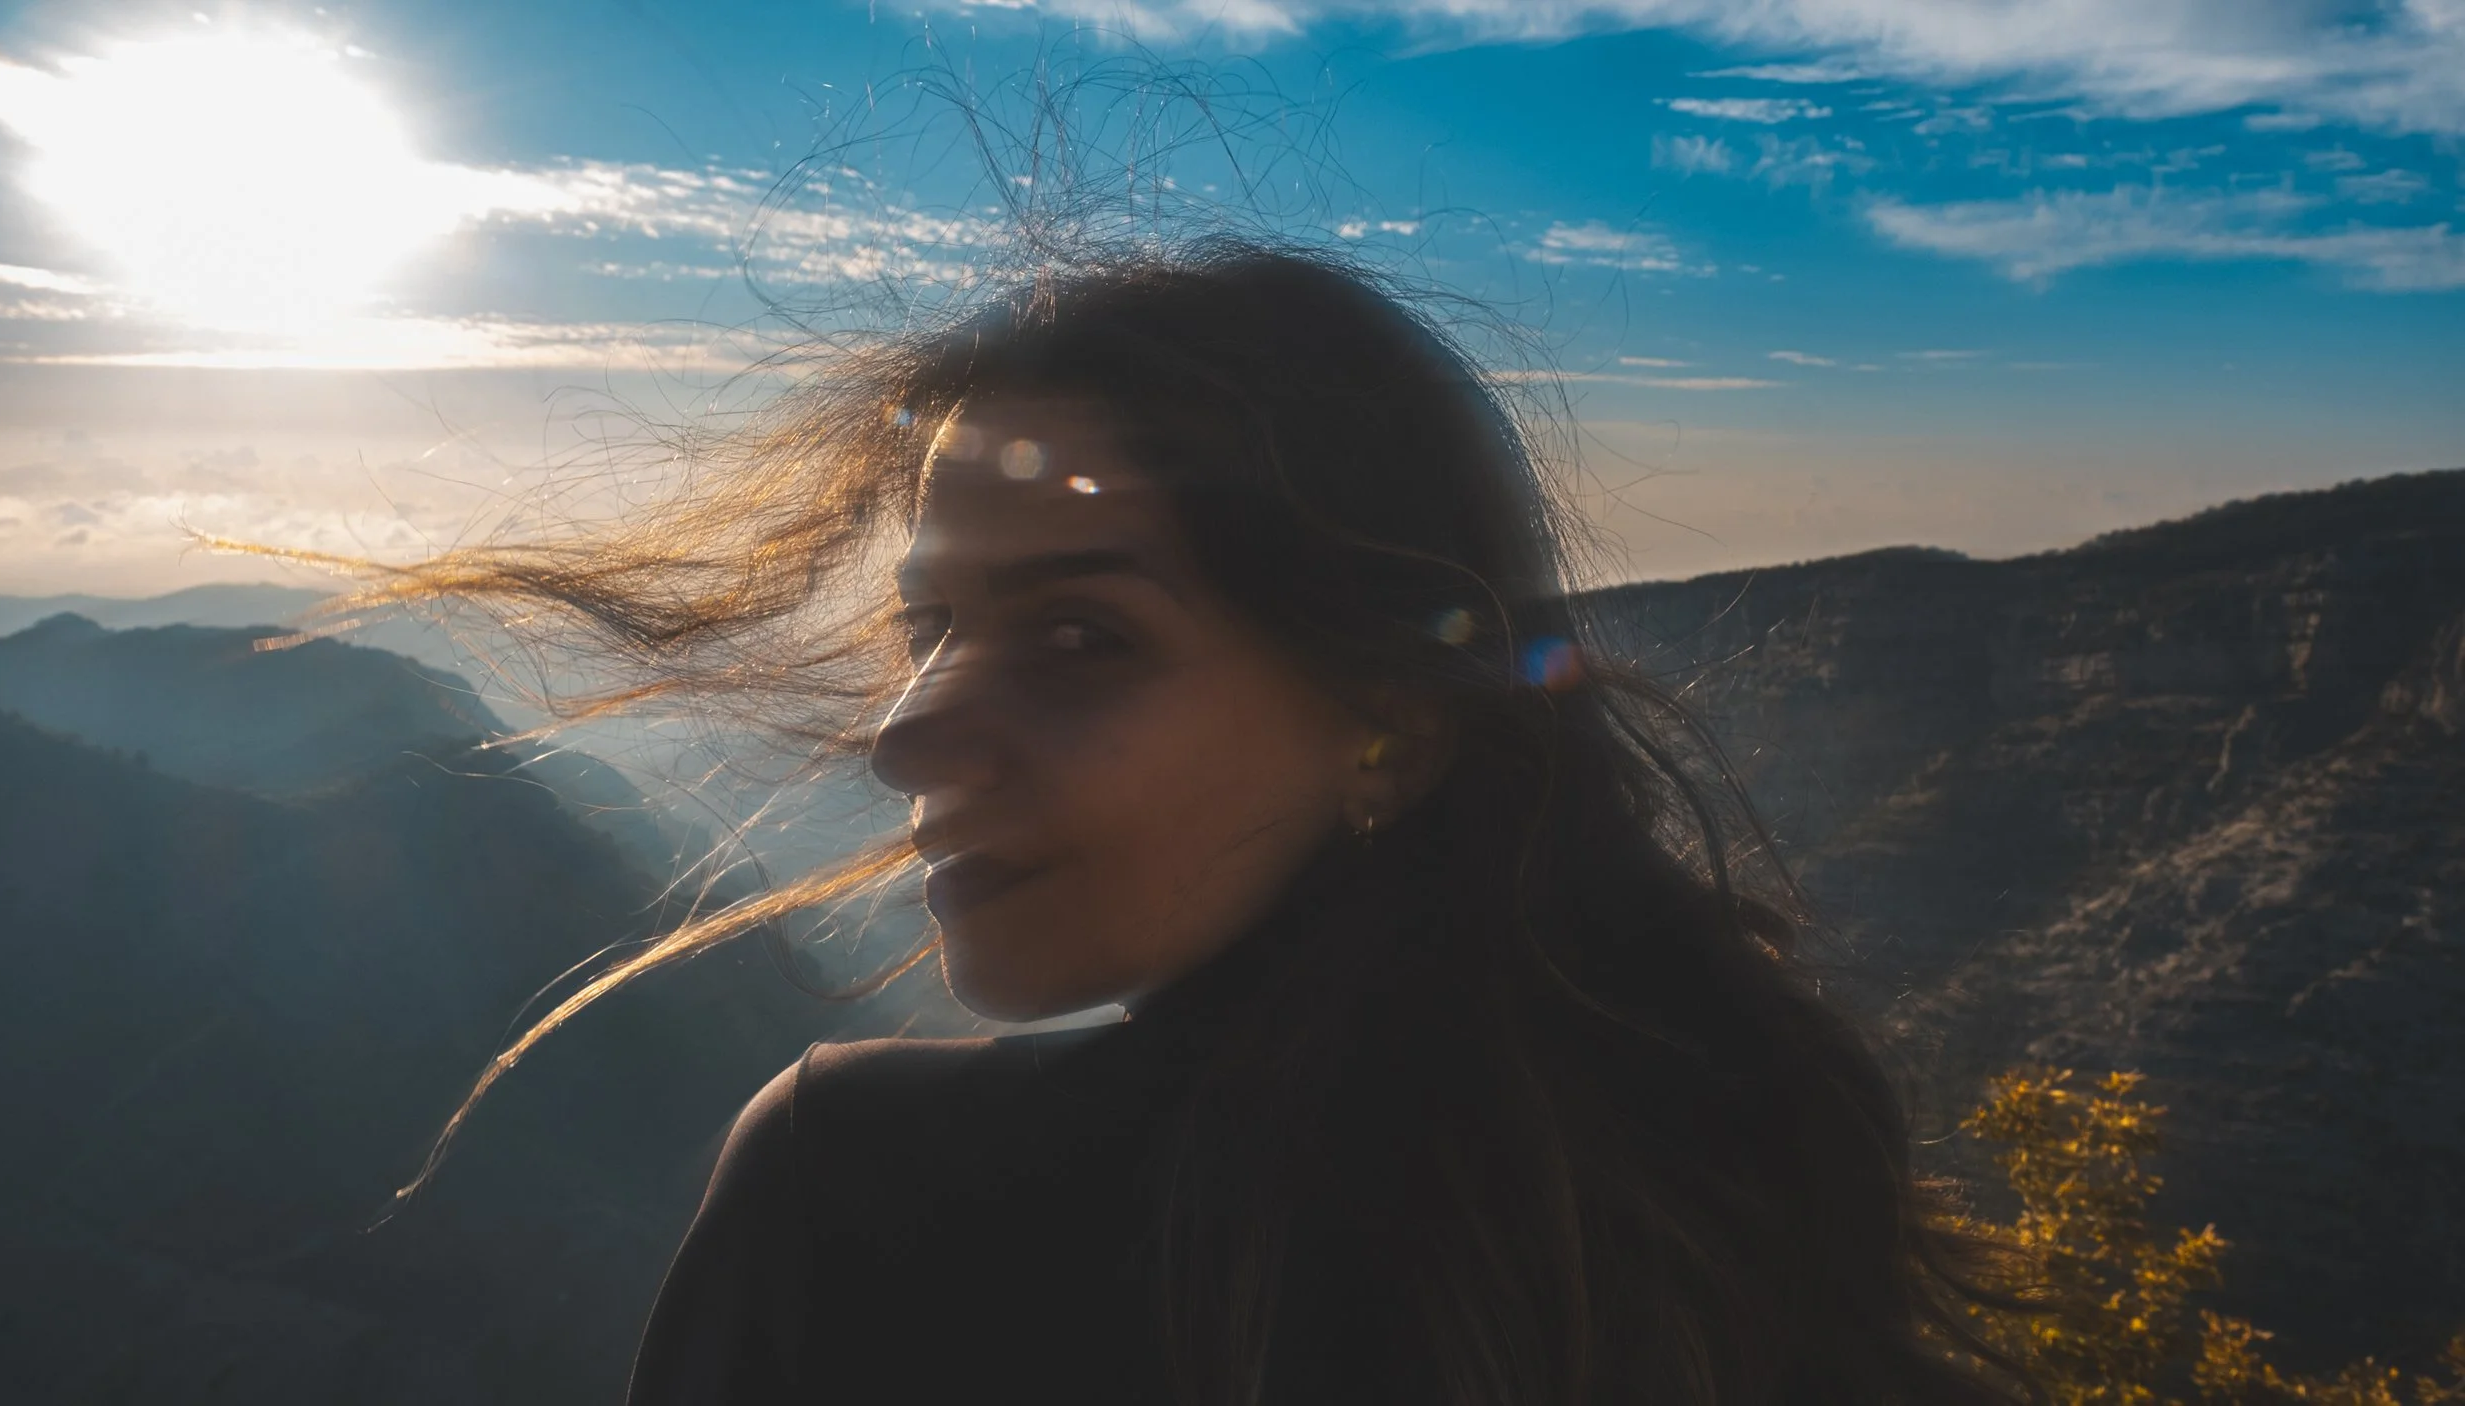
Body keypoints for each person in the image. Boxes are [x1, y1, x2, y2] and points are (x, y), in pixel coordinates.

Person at [385, 240, 2021, 1404]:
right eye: (928, 625)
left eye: (1082, 638)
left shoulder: (864, 1206)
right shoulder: (1705, 1187)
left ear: (1388, 723)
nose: (905, 728)